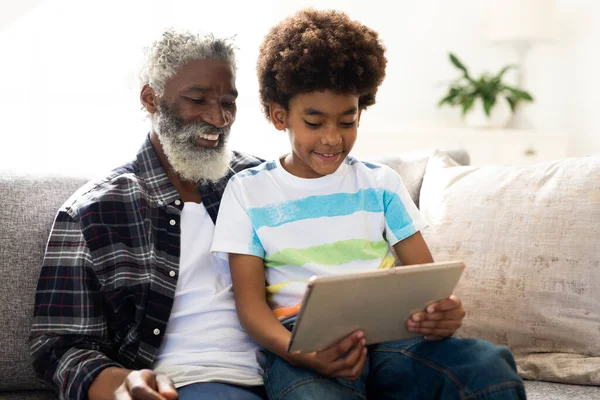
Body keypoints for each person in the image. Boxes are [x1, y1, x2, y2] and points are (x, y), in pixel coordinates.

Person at [211, 9, 526, 399]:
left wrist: (441, 312)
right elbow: (251, 308)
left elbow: (424, 281)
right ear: (280, 116)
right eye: (314, 123)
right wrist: (303, 353)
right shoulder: (247, 192)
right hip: (305, 346)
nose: (332, 138)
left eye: (347, 121)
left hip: (396, 337)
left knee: (489, 366)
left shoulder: (380, 184)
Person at [30, 30, 268, 400]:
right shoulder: (93, 211)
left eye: (228, 102)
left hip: (289, 368)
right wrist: (121, 384)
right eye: (197, 99)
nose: (219, 119)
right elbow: (57, 345)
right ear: (151, 99)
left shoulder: (262, 183)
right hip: (190, 383)